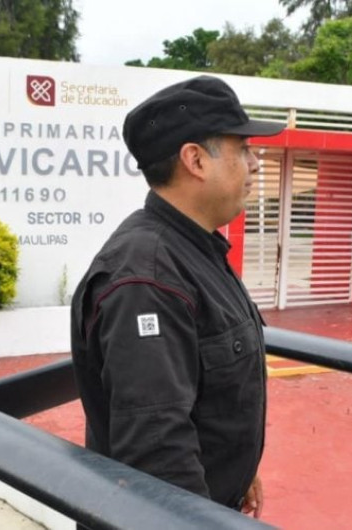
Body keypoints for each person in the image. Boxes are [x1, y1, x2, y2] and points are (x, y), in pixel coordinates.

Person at [70, 76, 284, 518]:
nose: (255, 164)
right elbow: (159, 457)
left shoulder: (193, 248)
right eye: (243, 149)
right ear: (195, 160)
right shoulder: (147, 280)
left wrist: (240, 471)